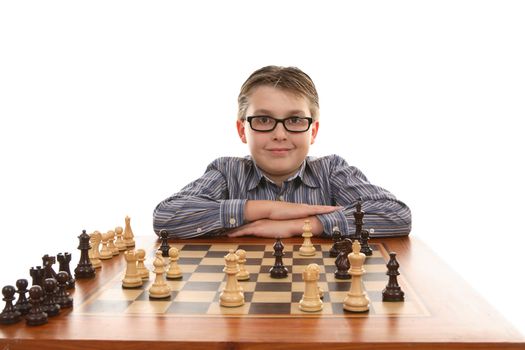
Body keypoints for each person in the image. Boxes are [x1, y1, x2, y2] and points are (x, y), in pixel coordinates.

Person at [153, 66, 411, 239]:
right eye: (264, 120)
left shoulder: (331, 171)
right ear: (243, 130)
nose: (280, 134)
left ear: (313, 130)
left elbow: (396, 214)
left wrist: (304, 225)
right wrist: (266, 209)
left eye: (295, 120)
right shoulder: (226, 171)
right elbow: (167, 216)